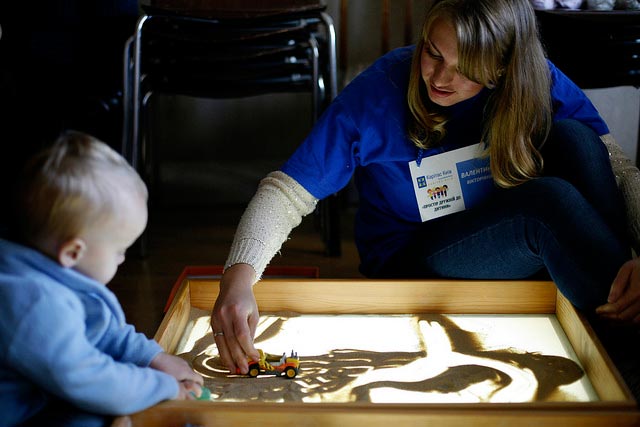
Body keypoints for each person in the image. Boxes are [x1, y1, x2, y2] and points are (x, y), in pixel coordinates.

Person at [210, 0, 640, 375]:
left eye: (466, 70)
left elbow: (617, 169)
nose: (439, 78)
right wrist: (238, 278)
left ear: (503, 69)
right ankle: (624, 338)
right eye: (433, 53)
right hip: (414, 258)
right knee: (547, 203)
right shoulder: (380, 92)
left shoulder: (533, 77)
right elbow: (286, 192)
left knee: (577, 141)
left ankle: (623, 301)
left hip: (507, 243)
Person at [0, 131, 204, 427]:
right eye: (119, 250)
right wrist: (163, 386)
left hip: (46, 389)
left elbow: (103, 327)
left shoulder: (56, 270)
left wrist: (152, 357)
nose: (123, 259)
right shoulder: (34, 304)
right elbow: (90, 379)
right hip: (20, 413)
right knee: (96, 416)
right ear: (72, 252)